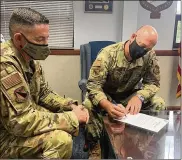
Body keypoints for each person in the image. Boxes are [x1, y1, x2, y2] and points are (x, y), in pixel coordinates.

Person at [0, 7, 89, 159]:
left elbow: (43, 93)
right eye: (40, 40)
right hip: (5, 135)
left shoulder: (30, 59)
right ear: (19, 39)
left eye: (47, 38)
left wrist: (70, 106)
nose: (46, 45)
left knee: (65, 121)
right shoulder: (5, 65)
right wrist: (72, 117)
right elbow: (20, 122)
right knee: (60, 140)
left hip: (19, 125)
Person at [83, 25, 166, 159]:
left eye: (148, 49)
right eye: (142, 46)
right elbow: (93, 86)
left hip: (129, 95)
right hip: (106, 95)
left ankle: (140, 144)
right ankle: (94, 146)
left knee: (158, 103)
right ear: (133, 36)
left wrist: (140, 97)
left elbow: (153, 83)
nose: (143, 51)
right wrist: (107, 105)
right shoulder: (108, 54)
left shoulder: (149, 55)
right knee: (88, 104)